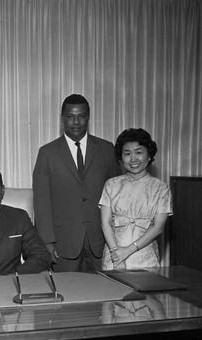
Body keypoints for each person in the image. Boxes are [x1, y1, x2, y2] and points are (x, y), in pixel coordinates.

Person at [32, 94, 121, 272]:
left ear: (88, 117)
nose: (76, 122)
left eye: (81, 116)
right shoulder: (47, 153)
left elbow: (117, 197)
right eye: (70, 116)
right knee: (68, 295)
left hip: (102, 241)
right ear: (62, 119)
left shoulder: (106, 149)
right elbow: (41, 203)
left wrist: (118, 239)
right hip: (63, 243)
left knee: (104, 295)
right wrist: (47, 242)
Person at [99, 128, 172, 270]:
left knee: (147, 292)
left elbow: (158, 227)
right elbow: (105, 222)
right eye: (127, 154)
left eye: (139, 152)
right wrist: (116, 254)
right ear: (121, 158)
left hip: (145, 258)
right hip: (114, 258)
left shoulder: (161, 189)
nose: (133, 159)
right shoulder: (111, 184)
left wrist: (127, 250)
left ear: (149, 155)